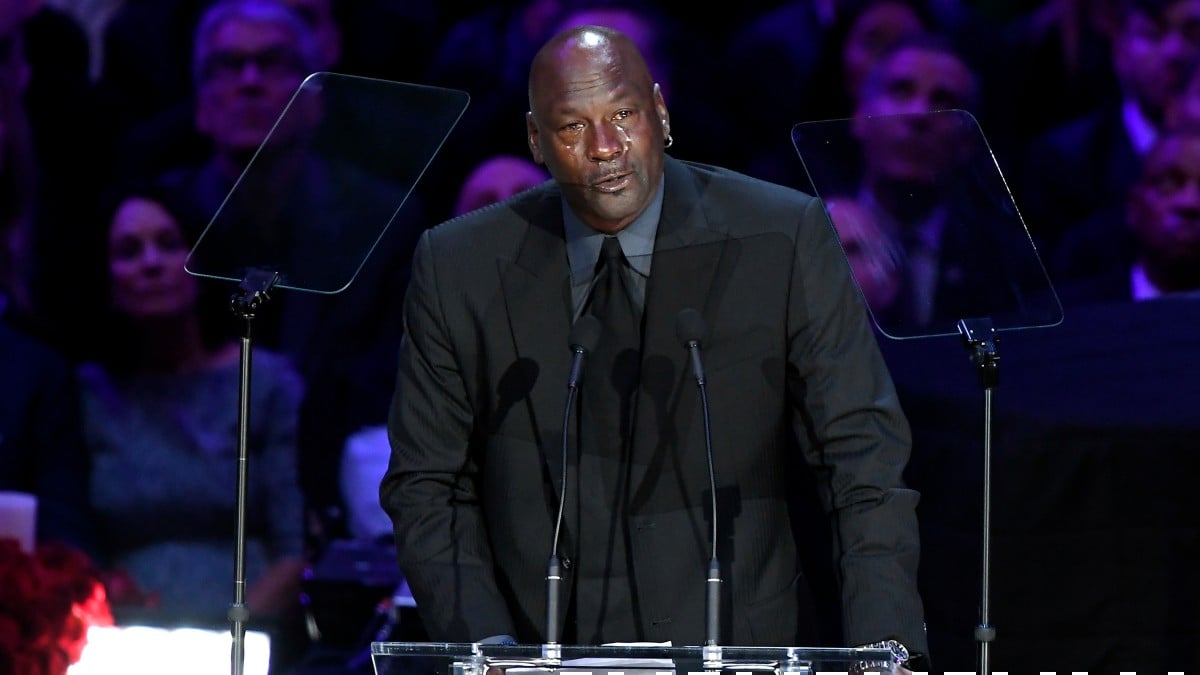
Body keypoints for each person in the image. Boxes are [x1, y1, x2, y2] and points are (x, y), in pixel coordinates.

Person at [380, 24, 929, 668]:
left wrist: (881, 652)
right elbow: (429, 486)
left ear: (661, 114)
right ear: (535, 141)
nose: (606, 147)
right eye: (572, 127)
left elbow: (862, 458)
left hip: (741, 650)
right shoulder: (460, 266)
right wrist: (490, 654)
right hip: (541, 652)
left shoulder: (781, 236)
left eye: (623, 114)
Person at [77, 181, 309, 666]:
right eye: (128, 250)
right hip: (117, 649)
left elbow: (294, 555)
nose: (151, 262)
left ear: (199, 264)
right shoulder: (87, 394)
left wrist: (220, 643)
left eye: (168, 243)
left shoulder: (264, 383)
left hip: (246, 648)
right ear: (106, 279)